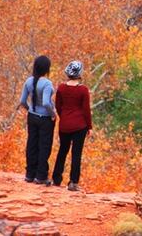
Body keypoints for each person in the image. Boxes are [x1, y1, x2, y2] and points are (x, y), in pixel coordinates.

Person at [51, 60, 91, 191]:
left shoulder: (61, 88)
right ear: (79, 73)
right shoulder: (83, 90)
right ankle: (73, 182)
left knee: (63, 150)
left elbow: (58, 106)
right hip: (80, 125)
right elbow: (86, 110)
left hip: (65, 124)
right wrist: (89, 126)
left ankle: (56, 179)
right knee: (76, 153)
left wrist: (65, 117)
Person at [18, 55, 56, 184]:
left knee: (32, 144)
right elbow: (46, 103)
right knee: (44, 146)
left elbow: (22, 101)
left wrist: (30, 109)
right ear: (47, 69)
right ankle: (41, 176)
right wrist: (53, 114)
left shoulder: (29, 81)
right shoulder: (47, 83)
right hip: (45, 118)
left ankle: (29, 174)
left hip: (32, 116)